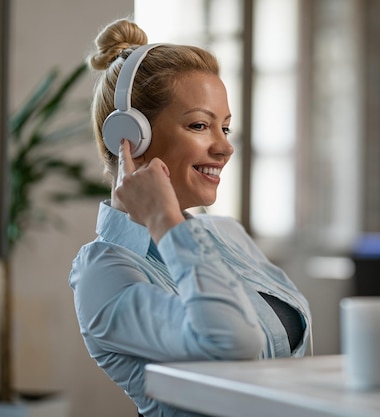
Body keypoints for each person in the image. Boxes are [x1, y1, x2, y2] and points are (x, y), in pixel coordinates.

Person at [69, 18, 312, 417]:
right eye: (200, 125)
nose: (225, 147)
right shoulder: (104, 273)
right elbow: (233, 340)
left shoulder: (227, 233)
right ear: (131, 137)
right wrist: (163, 219)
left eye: (226, 128)